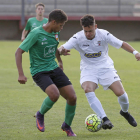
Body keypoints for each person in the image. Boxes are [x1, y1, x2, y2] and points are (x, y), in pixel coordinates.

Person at [58, 15, 140, 130]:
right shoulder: (77, 37)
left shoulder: (104, 34)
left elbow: (121, 43)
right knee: (87, 89)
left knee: (121, 94)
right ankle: (104, 118)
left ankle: (125, 112)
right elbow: (61, 48)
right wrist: (62, 51)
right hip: (88, 69)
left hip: (105, 67)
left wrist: (135, 52)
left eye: (90, 31)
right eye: (85, 31)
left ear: (95, 27)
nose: (87, 34)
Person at [15, 9, 77, 137]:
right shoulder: (35, 33)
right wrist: (21, 74)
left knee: (72, 97)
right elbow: (18, 52)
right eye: (61, 25)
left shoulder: (55, 33)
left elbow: (54, 48)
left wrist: (60, 59)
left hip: (53, 68)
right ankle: (40, 114)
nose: (62, 28)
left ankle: (67, 126)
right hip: (39, 71)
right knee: (54, 95)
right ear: (53, 22)